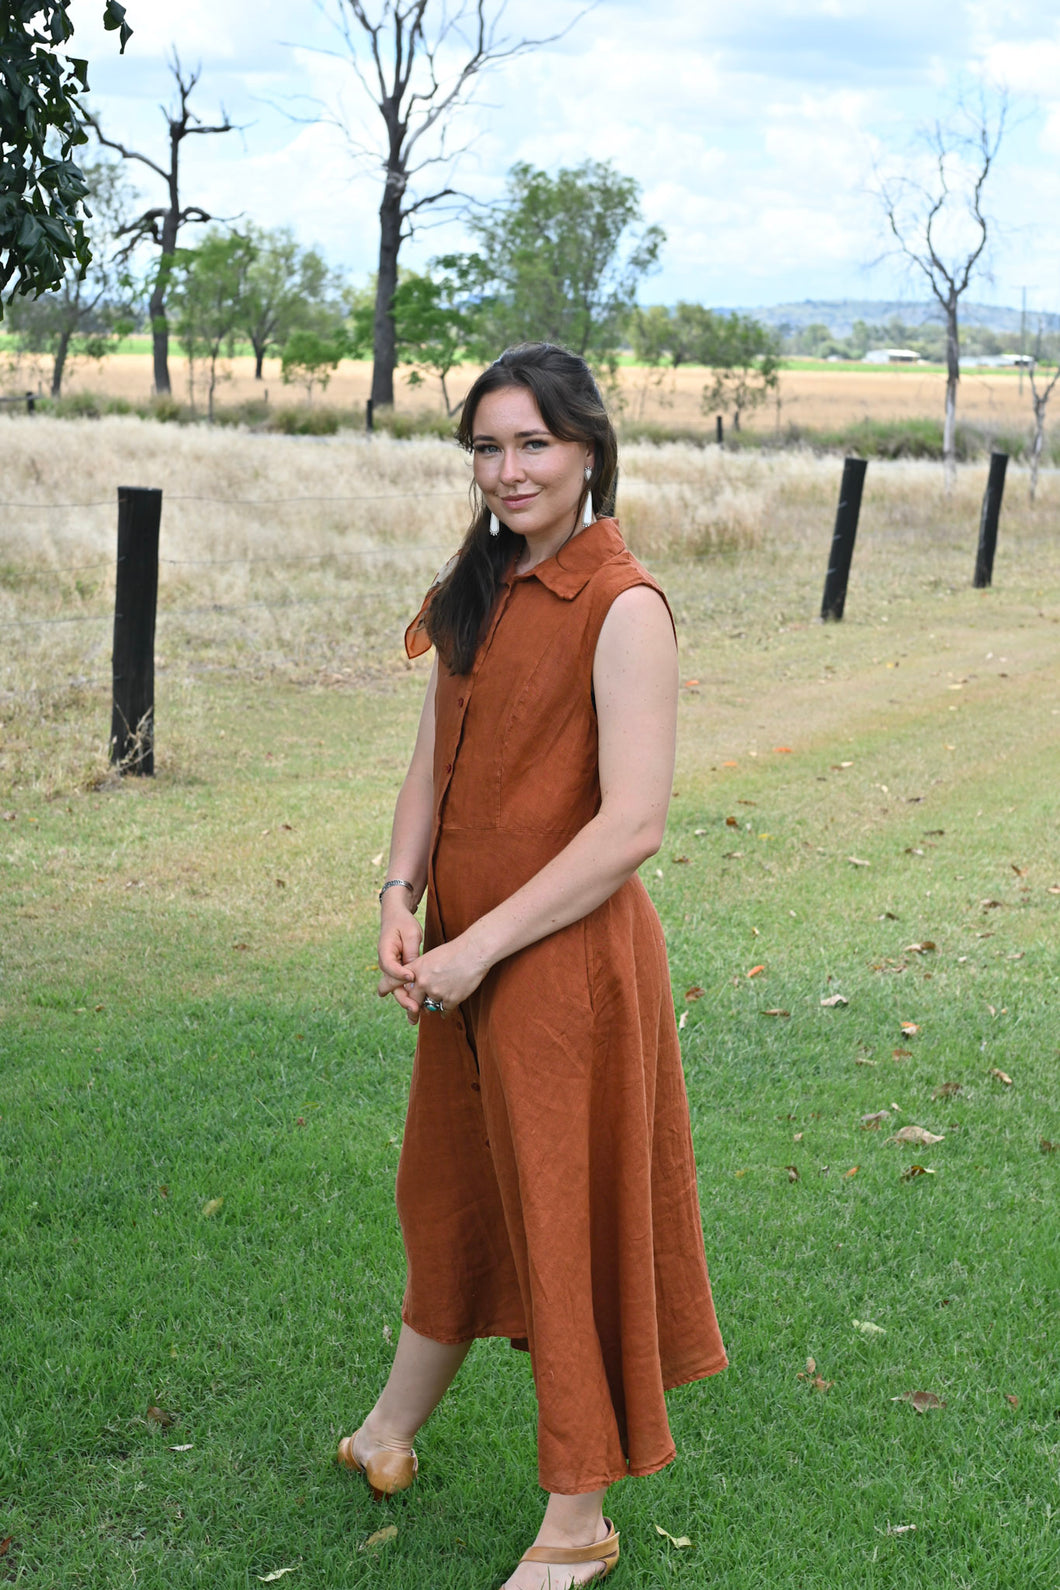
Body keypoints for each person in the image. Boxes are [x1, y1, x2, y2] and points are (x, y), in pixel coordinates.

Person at [338, 342, 727, 1589]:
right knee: (449, 1195)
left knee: (560, 1224)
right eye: (487, 447)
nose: (507, 471)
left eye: (532, 445)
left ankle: (578, 1524)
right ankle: (388, 1432)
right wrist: (401, 899)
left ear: (588, 451)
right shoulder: (481, 583)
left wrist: (475, 946)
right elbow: (429, 761)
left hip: (560, 970)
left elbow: (632, 828)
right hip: (459, 955)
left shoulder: (625, 607)